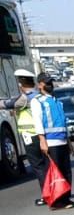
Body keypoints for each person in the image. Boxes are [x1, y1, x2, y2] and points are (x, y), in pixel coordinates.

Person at [30, 73, 74, 210]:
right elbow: (38, 122)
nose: (49, 85)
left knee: (66, 172)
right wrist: (42, 141)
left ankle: (66, 198)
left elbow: (63, 122)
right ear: (40, 85)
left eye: (50, 82)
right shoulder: (37, 101)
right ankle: (56, 201)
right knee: (55, 173)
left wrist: (69, 142)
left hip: (62, 140)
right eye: (46, 83)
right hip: (51, 142)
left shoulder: (57, 101)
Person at [2, 68, 43, 202]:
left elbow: (8, 104)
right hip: (42, 135)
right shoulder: (40, 95)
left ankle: (47, 195)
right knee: (46, 165)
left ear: (21, 84)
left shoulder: (25, 97)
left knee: (38, 166)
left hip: (31, 136)